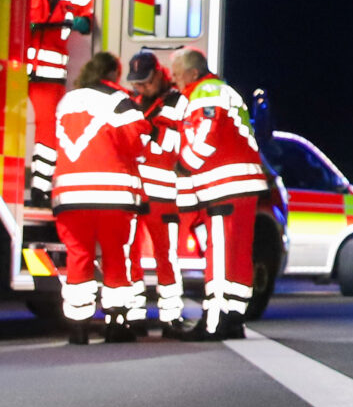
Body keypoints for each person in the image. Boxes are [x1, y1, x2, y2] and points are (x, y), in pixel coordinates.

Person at [166, 48, 270, 340]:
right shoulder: (223, 90)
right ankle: (234, 318)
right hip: (242, 185)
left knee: (220, 254)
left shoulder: (205, 92)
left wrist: (184, 164)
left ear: (193, 72)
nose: (175, 81)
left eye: (177, 74)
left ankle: (215, 321)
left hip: (225, 185)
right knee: (236, 254)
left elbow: (207, 134)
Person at [48, 51, 146, 343]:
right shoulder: (120, 102)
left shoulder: (66, 101)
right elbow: (136, 144)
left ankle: (78, 326)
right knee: (116, 256)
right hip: (112, 195)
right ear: (114, 74)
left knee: (79, 256)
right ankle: (116, 323)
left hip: (69, 196)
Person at [23, 0, 96, 207]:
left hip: (51, 74)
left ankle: (41, 187)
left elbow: (89, 12)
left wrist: (80, 21)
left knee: (47, 133)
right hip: (18, 70)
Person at [125, 50, 183, 337]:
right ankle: (134, 315)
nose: (141, 88)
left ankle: (171, 317)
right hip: (133, 192)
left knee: (166, 256)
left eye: (146, 83)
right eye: (137, 83)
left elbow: (168, 143)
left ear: (159, 75)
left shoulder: (176, 102)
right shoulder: (131, 101)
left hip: (162, 194)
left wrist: (142, 130)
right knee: (130, 255)